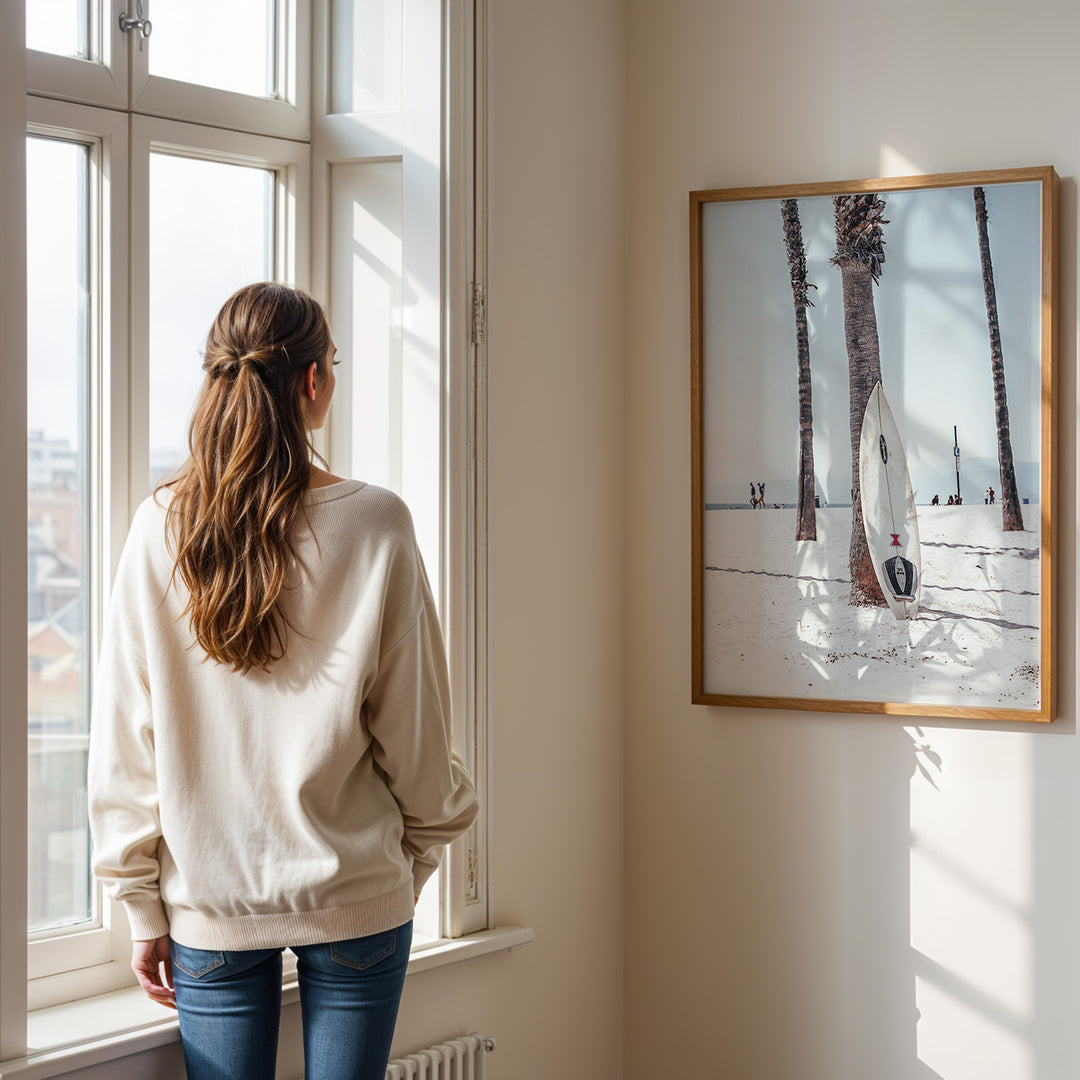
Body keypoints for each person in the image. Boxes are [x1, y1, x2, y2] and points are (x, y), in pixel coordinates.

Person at [87, 283, 479, 1080]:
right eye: (332, 364)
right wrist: (423, 853)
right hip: (358, 891)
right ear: (312, 382)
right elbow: (416, 724)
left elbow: (126, 733)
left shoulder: (158, 525)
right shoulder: (375, 523)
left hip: (209, 904)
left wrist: (140, 905)